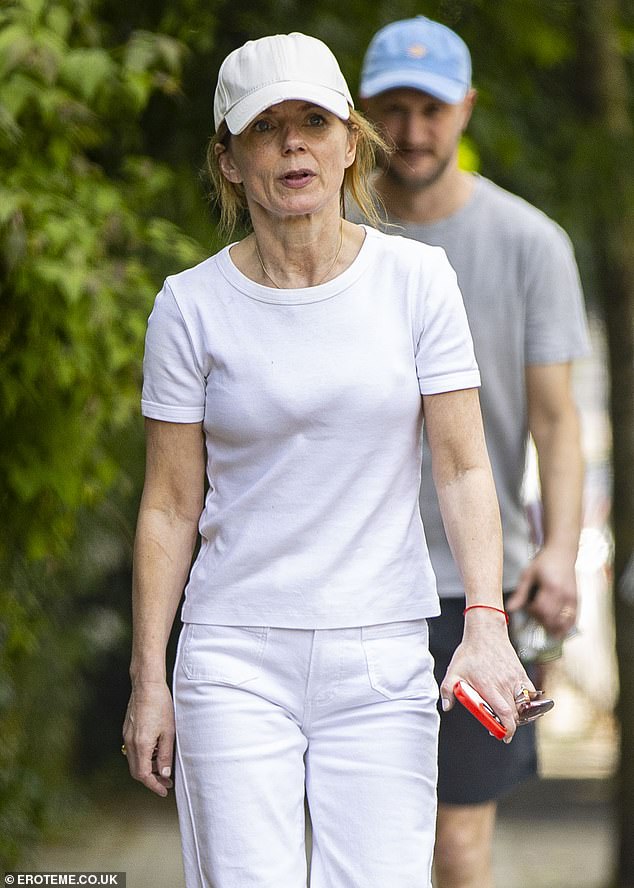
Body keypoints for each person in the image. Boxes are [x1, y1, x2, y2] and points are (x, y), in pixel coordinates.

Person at [122, 31, 533, 888]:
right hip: (233, 654)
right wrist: (147, 678)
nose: (292, 143)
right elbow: (167, 506)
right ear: (230, 160)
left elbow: (463, 469)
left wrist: (486, 624)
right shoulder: (189, 308)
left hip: (381, 649)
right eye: (265, 127)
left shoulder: (419, 282)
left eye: (314, 119)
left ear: (352, 140)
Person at [357, 16, 591, 888]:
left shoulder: (530, 242)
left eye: (432, 108)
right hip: (350, 584)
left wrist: (561, 551)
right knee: (362, 848)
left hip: (476, 590)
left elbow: (557, 422)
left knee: (456, 848)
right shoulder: (325, 235)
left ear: (467, 108)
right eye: (394, 109)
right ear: (363, 115)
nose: (413, 131)